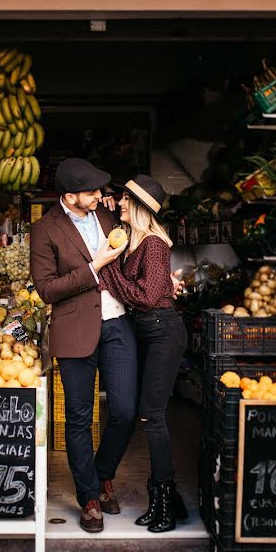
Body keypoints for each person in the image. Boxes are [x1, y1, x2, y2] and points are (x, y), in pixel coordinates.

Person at [30, 158, 137, 533]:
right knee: (78, 418)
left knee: (125, 410)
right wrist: (94, 267)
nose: (99, 195)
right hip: (75, 329)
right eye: (92, 191)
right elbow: (46, 288)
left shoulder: (108, 216)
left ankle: (102, 473)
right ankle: (90, 496)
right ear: (70, 196)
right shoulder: (45, 229)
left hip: (117, 324)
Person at [97, 174, 189, 533]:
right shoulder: (135, 240)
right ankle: (172, 502)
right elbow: (144, 288)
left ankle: (163, 503)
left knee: (153, 417)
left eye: (124, 199)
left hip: (163, 332)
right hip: (148, 333)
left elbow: (148, 297)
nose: (119, 202)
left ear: (138, 207)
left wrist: (105, 271)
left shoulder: (153, 244)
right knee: (147, 415)